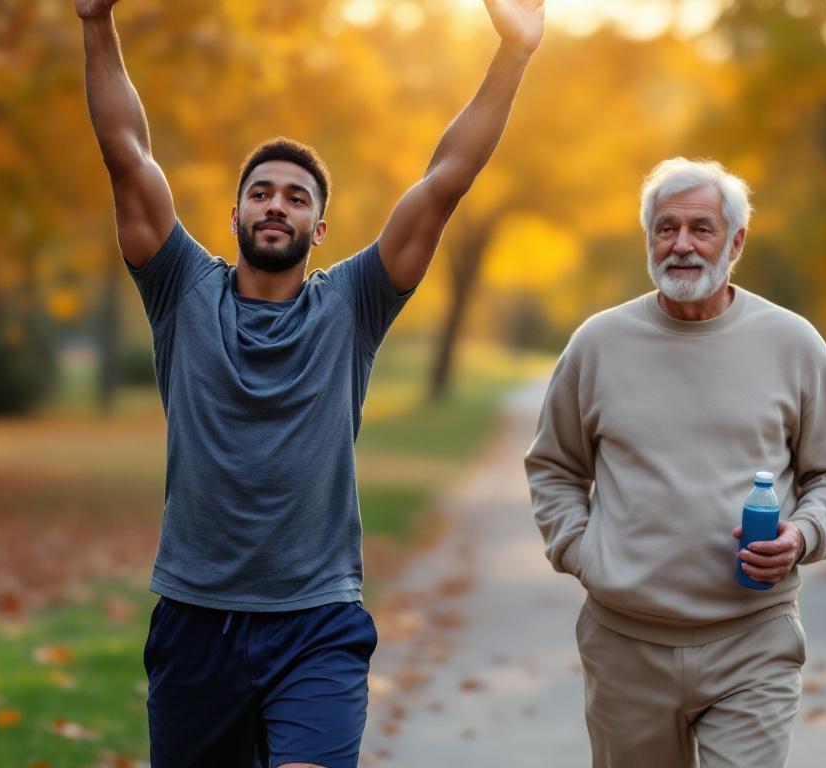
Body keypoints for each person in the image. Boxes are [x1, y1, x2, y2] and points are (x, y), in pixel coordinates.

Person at [75, 0, 545, 765]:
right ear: (234, 215)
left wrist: (514, 55)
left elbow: (444, 182)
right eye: (262, 192)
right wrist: (97, 21)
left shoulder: (352, 303)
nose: (277, 205)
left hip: (316, 622)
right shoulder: (179, 290)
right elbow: (127, 154)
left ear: (319, 230)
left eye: (297, 197)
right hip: (196, 620)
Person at [524, 157, 826, 767]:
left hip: (752, 641)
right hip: (625, 645)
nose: (681, 245)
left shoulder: (792, 343)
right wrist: (582, 551)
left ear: (735, 241)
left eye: (700, 228)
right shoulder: (598, 344)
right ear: (648, 238)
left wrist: (804, 534)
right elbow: (553, 466)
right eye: (666, 228)